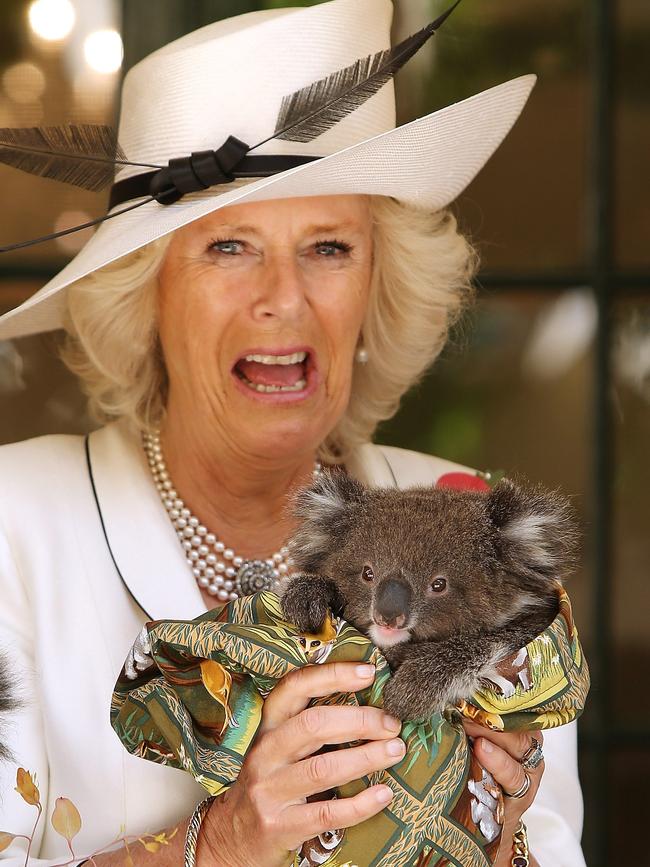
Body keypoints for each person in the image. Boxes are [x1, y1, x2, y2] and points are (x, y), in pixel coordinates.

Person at [0, 1, 586, 865]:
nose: (283, 298)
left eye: (329, 248)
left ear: (378, 283)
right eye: (229, 247)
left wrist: (491, 836)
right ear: (149, 294)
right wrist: (225, 841)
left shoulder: (479, 539)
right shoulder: (13, 527)